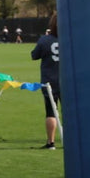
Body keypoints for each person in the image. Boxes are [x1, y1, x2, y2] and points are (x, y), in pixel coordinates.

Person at [31, 13, 60, 150]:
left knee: (51, 112)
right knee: (70, 113)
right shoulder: (72, 39)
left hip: (50, 82)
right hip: (68, 81)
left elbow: (34, 55)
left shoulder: (45, 40)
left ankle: (51, 142)